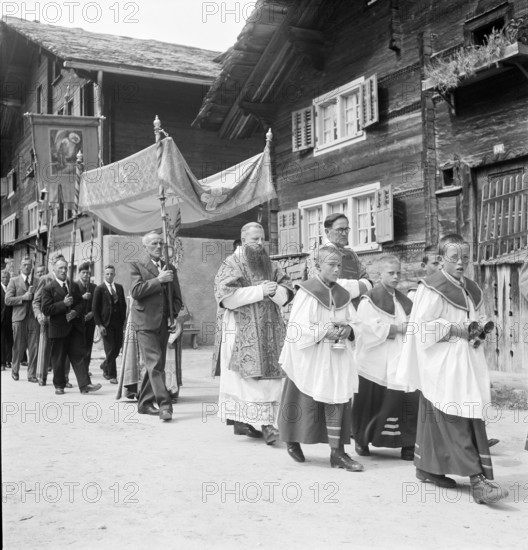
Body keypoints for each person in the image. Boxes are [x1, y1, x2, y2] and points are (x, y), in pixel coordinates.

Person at [392, 234, 509, 504]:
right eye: (454, 258)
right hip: (443, 361)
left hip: (467, 358)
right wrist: (456, 329)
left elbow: (472, 318)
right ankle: (478, 482)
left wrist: (480, 327)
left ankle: (427, 468)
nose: (461, 263)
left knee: (452, 414)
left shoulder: (469, 286)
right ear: (441, 259)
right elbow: (422, 328)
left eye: (465, 258)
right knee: (458, 418)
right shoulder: (431, 288)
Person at [278, 246, 363, 471]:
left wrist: (349, 331)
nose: (337, 270)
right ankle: (292, 439)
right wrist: (325, 330)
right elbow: (297, 327)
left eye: (339, 266)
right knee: (304, 400)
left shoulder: (343, 294)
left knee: (338, 398)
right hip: (311, 354)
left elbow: (356, 322)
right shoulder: (307, 292)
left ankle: (338, 452)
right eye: (331, 265)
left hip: (337, 354)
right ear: (317, 266)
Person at [213, 222, 293, 444]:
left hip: (270, 327)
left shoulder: (269, 264)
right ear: (242, 239)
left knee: (273, 376)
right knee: (247, 380)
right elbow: (225, 297)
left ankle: (245, 422)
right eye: (254, 239)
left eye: (262, 239)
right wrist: (259, 291)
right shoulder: (231, 263)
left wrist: (277, 291)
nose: (260, 244)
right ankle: (266, 425)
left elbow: (288, 289)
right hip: (241, 330)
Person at [352, 255, 418, 461]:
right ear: (379, 274)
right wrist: (398, 328)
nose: (396, 277)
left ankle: (406, 442)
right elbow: (366, 329)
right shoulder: (369, 300)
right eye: (391, 273)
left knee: (407, 398)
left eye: (398, 272)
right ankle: (362, 439)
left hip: (398, 356)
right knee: (371, 400)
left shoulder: (404, 300)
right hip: (375, 358)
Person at [129, 232, 183, 421]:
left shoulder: (170, 268)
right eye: (154, 244)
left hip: (163, 322)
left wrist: (173, 315)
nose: (159, 247)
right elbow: (136, 292)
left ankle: (144, 403)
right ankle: (165, 405)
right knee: (154, 363)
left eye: (161, 243)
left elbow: (177, 298)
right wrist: (158, 280)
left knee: (156, 364)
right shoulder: (137, 265)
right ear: (145, 247)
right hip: (144, 322)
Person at [41, 257, 101, 395]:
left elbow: (81, 303)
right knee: (59, 358)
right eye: (60, 268)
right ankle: (59, 385)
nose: (63, 270)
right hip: (58, 329)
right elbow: (46, 309)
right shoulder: (48, 288)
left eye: (65, 268)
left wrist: (74, 311)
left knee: (79, 356)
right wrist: (64, 304)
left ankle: (85, 385)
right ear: (54, 270)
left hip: (74, 328)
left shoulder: (73, 286)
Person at [309, 213, 372, 308]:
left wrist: (343, 286)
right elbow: (322, 286)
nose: (344, 233)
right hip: (328, 311)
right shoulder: (317, 254)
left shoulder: (351, 254)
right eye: (339, 230)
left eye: (346, 229)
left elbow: (368, 283)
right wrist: (358, 286)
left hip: (354, 312)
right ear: (327, 231)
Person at [5, 257, 39, 382]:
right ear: (20, 267)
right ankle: (15, 370)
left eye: (29, 265)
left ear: (31, 267)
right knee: (18, 347)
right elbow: (7, 300)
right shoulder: (14, 281)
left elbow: (40, 297)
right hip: (19, 318)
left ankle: (31, 374)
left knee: (34, 347)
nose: (26, 267)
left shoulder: (37, 281)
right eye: (24, 264)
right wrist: (23, 297)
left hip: (33, 318)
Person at [92, 265, 127, 384]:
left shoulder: (119, 288)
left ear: (114, 275)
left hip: (118, 323)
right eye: (107, 274)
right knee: (110, 349)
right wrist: (99, 325)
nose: (109, 276)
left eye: (111, 274)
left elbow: (124, 305)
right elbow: (95, 309)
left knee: (117, 348)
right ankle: (112, 375)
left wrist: (124, 321)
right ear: (104, 274)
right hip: (106, 324)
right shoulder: (99, 289)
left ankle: (104, 365)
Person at [76, 262, 97, 376]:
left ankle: (86, 368)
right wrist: (82, 297)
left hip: (90, 321)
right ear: (79, 274)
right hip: (78, 321)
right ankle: (79, 369)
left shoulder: (94, 287)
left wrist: (92, 314)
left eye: (88, 273)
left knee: (88, 346)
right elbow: (73, 302)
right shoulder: (74, 286)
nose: (86, 275)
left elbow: (97, 304)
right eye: (83, 273)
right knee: (79, 345)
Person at [1, 270, 13, 371]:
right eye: (3, 277)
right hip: (1, 318)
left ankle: (9, 360)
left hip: (10, 318)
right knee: (2, 340)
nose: (5, 279)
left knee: (10, 340)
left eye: (7, 277)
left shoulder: (11, 288)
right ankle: (2, 362)